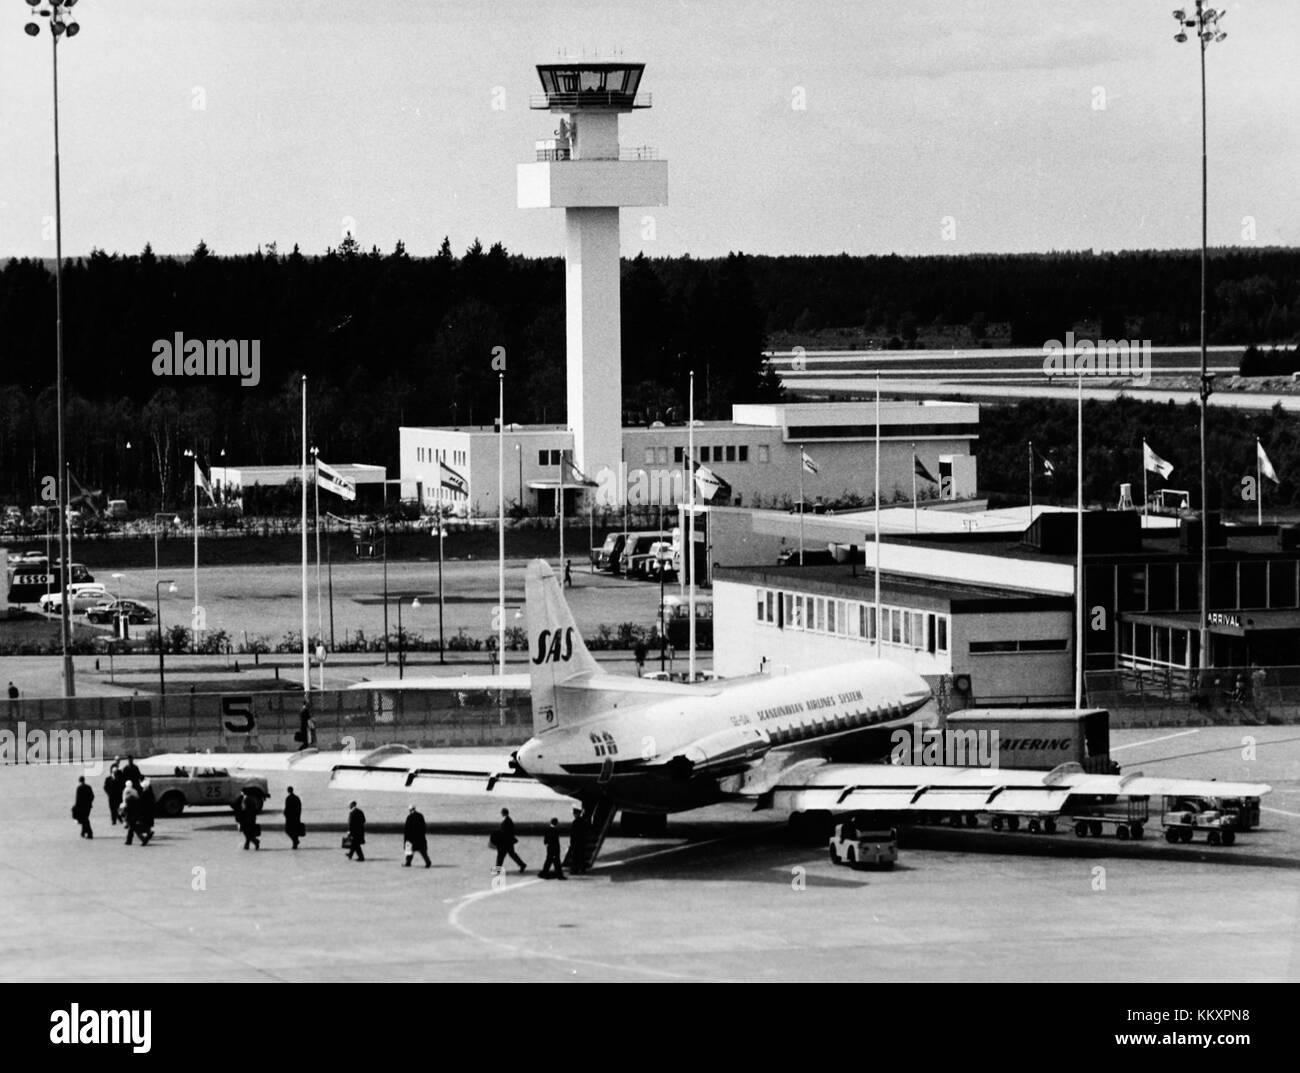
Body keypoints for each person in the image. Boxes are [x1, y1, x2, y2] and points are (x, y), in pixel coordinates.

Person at [492, 807, 526, 874]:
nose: (501, 813)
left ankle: (498, 870)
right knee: (511, 854)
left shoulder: (507, 821)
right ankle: (522, 865)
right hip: (508, 842)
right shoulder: (508, 820)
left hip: (505, 842)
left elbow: (505, 832)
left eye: (501, 812)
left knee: (501, 856)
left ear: (503, 813)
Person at [565, 806, 588, 874]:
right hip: (582, 842)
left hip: (576, 842)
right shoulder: (583, 821)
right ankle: (582, 870)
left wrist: (571, 843)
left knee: (575, 857)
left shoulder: (575, 822)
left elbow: (573, 834)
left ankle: (575, 870)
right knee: (581, 856)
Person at [136, 778, 156, 845]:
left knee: (137, 829)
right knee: (147, 828)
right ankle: (149, 834)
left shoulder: (144, 795)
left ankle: (144, 839)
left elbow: (140, 805)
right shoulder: (151, 794)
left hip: (143, 816)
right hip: (149, 815)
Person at [103, 761, 123, 826]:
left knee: (118, 808)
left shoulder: (119, 779)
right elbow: (105, 787)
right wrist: (108, 793)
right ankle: (113, 820)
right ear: (112, 772)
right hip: (111, 796)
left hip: (118, 796)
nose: (115, 773)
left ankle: (119, 817)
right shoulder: (108, 779)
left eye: (116, 772)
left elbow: (121, 786)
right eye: (114, 772)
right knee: (112, 809)